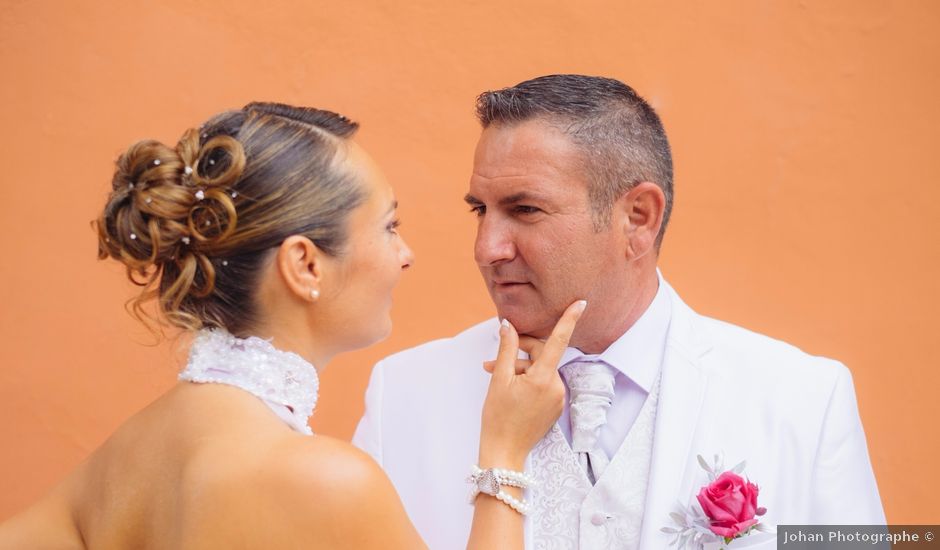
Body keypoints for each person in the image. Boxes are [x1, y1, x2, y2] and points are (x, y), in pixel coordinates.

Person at [0, 102, 584, 549]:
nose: (405, 255)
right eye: (388, 227)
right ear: (305, 265)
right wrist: (505, 450)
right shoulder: (323, 479)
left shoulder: (123, 454)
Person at [353, 75, 886, 550]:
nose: (488, 247)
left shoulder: (803, 399)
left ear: (638, 218)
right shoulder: (403, 394)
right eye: (480, 211)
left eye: (525, 210)